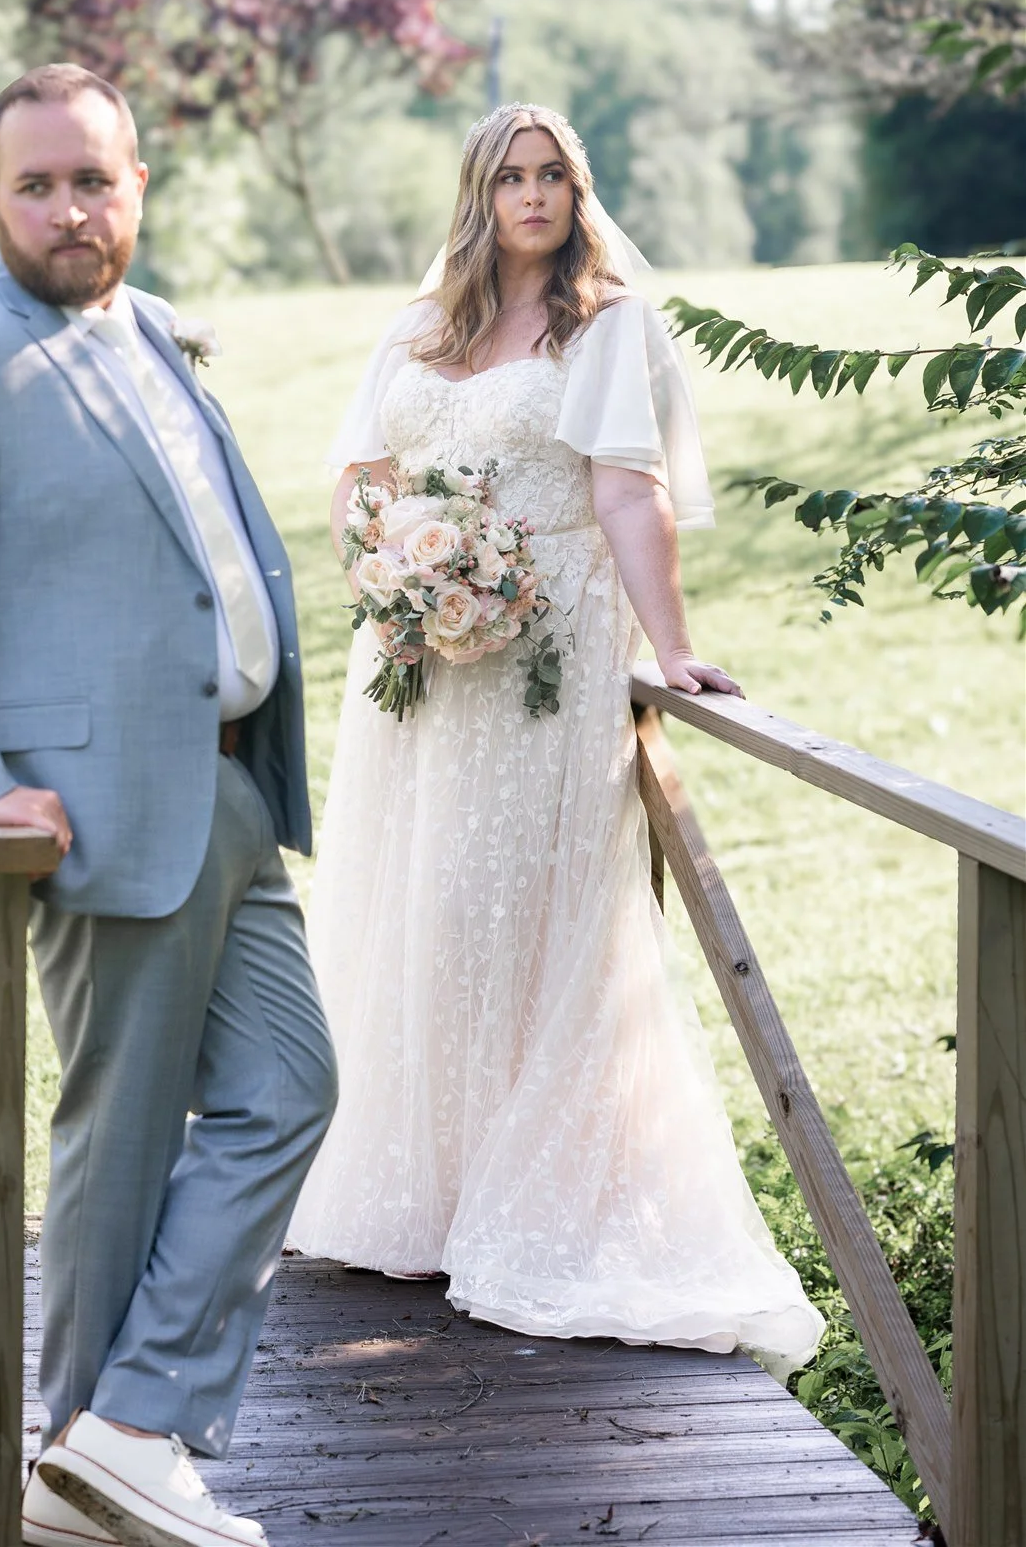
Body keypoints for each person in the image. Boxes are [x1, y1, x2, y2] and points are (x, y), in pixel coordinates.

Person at [0, 63, 337, 1547]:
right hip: (99, 812)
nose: (66, 207)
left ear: (136, 187)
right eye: (35, 183)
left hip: (229, 789)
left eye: (91, 179)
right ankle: (81, 1461)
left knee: (288, 1092)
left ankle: (127, 1424)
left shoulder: (149, 330)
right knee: (117, 1142)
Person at [287, 103, 823, 1380]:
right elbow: (359, 479)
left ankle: (522, 1198)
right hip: (415, 661)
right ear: (479, 194)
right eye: (510, 176)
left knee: (506, 906)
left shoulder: (606, 323)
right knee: (410, 901)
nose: (533, 195)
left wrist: (671, 643)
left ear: (577, 193)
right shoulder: (424, 327)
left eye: (552, 177)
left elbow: (625, 490)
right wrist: (400, 576)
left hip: (546, 654)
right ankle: (413, 1193)